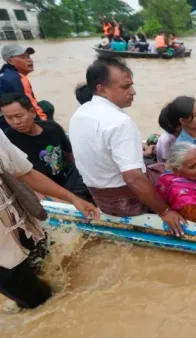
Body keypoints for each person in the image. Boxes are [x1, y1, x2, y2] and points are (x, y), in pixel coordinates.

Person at [69, 57, 185, 236]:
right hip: (126, 201)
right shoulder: (120, 122)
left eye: (131, 85)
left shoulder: (80, 113)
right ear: (102, 89)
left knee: (160, 167)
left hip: (100, 197)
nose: (133, 91)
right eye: (125, 87)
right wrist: (165, 212)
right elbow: (133, 179)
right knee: (178, 172)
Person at [0, 129, 98, 310]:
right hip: (3, 256)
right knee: (38, 303)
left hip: (24, 227)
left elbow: (26, 173)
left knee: (54, 267)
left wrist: (73, 199)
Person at [0, 93, 92, 202]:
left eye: (19, 116)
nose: (16, 122)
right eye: (9, 118)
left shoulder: (53, 128)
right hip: (40, 191)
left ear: (32, 112)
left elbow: (71, 155)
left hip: (65, 182)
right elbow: (14, 175)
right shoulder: (7, 140)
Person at [0, 44, 54, 132]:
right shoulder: (17, 79)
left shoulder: (4, 75)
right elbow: (29, 108)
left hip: (6, 124)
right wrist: (46, 126)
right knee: (47, 107)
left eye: (28, 56)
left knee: (44, 105)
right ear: (10, 61)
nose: (29, 60)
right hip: (15, 128)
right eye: (23, 57)